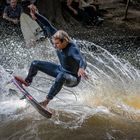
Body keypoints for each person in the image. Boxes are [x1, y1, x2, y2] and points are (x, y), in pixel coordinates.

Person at [15, 4, 87, 108]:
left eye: (57, 44)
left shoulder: (72, 48)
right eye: (54, 43)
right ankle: (27, 82)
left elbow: (81, 59)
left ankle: (46, 101)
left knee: (61, 76)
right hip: (60, 70)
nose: (55, 46)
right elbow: (48, 25)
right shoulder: (57, 37)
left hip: (72, 78)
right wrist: (36, 15)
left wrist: (81, 68)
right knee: (35, 63)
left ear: (65, 41)